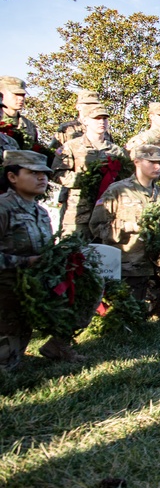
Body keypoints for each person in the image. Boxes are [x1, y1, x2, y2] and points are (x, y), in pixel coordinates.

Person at [0, 150, 87, 367]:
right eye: (33, 173)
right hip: (6, 290)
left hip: (34, 285)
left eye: (45, 174)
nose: (42, 178)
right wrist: (24, 262)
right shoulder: (3, 208)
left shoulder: (40, 211)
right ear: (12, 177)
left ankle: (58, 344)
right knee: (6, 365)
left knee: (87, 290)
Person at [90, 145, 160, 321]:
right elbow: (97, 226)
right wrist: (131, 226)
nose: (157, 167)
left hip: (155, 263)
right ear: (137, 162)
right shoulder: (118, 190)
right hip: (127, 265)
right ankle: (145, 304)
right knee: (133, 315)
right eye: (152, 162)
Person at [52, 105, 126, 240]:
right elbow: (57, 174)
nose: (101, 122)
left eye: (104, 119)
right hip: (78, 210)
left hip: (106, 211)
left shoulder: (116, 151)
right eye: (96, 118)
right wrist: (87, 179)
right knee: (73, 250)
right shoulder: (72, 146)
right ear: (86, 121)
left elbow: (125, 178)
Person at [0, 76, 38, 144]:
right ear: (2, 94)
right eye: (16, 94)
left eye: (23, 95)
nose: (21, 98)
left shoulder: (29, 125)